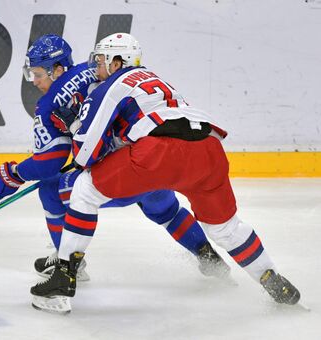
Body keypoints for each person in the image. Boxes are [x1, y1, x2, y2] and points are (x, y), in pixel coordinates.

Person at [30, 33, 301, 313]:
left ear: (116, 62)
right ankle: (274, 281)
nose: (96, 68)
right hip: (208, 148)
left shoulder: (110, 86)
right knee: (226, 228)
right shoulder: (156, 79)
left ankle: (63, 279)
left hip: (159, 153)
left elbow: (86, 155)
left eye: (100, 61)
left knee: (84, 190)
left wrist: (75, 127)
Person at [0, 34, 230, 285]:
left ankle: (69, 266)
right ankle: (209, 257)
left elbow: (50, 163)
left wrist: (14, 174)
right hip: (152, 160)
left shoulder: (49, 104)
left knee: (50, 190)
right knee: (164, 207)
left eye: (37, 74)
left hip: (121, 172)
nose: (34, 81)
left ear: (57, 69)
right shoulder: (96, 69)